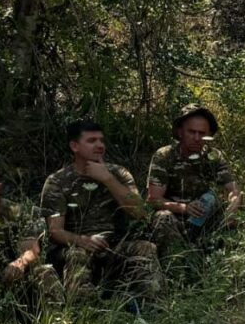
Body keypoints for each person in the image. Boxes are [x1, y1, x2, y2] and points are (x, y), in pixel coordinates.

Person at [40, 121, 163, 303]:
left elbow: (141, 213)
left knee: (145, 248)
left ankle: (152, 307)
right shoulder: (57, 181)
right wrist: (83, 240)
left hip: (114, 246)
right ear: (74, 146)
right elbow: (55, 231)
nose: (99, 146)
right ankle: (84, 311)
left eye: (101, 141)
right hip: (76, 247)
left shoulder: (118, 173)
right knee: (77, 254)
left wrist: (107, 178)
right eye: (91, 141)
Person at [147, 104, 241, 258]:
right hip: (175, 219)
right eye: (191, 132)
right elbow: (153, 200)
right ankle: (179, 266)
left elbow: (233, 190)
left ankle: (214, 260)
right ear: (180, 131)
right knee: (162, 217)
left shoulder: (214, 156)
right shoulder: (165, 156)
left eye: (202, 133)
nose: (197, 138)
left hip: (206, 217)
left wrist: (231, 211)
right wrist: (184, 208)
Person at [0, 161, 62, 307]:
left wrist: (20, 263)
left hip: (9, 281)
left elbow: (30, 249)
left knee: (43, 272)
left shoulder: (19, 214)